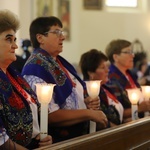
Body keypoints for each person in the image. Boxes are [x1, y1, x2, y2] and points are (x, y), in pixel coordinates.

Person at [21, 16, 108, 143]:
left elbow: (72, 99)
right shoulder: (35, 68)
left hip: (78, 135)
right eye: (56, 32)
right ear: (40, 38)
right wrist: (88, 113)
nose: (62, 37)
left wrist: (86, 101)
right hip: (61, 139)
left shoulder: (59, 63)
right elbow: (49, 114)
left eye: (62, 32)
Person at [0, 9, 52, 149]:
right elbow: (3, 143)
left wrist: (41, 137)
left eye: (15, 40)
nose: (15, 46)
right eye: (8, 39)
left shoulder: (14, 75)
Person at [105, 39, 150, 122]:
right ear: (115, 57)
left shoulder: (129, 73)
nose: (133, 55)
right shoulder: (111, 78)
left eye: (132, 52)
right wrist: (139, 108)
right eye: (128, 52)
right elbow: (115, 112)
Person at [79, 49, 124, 127]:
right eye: (103, 68)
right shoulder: (86, 92)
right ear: (90, 73)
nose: (108, 70)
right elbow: (99, 121)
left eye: (107, 67)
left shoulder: (105, 88)